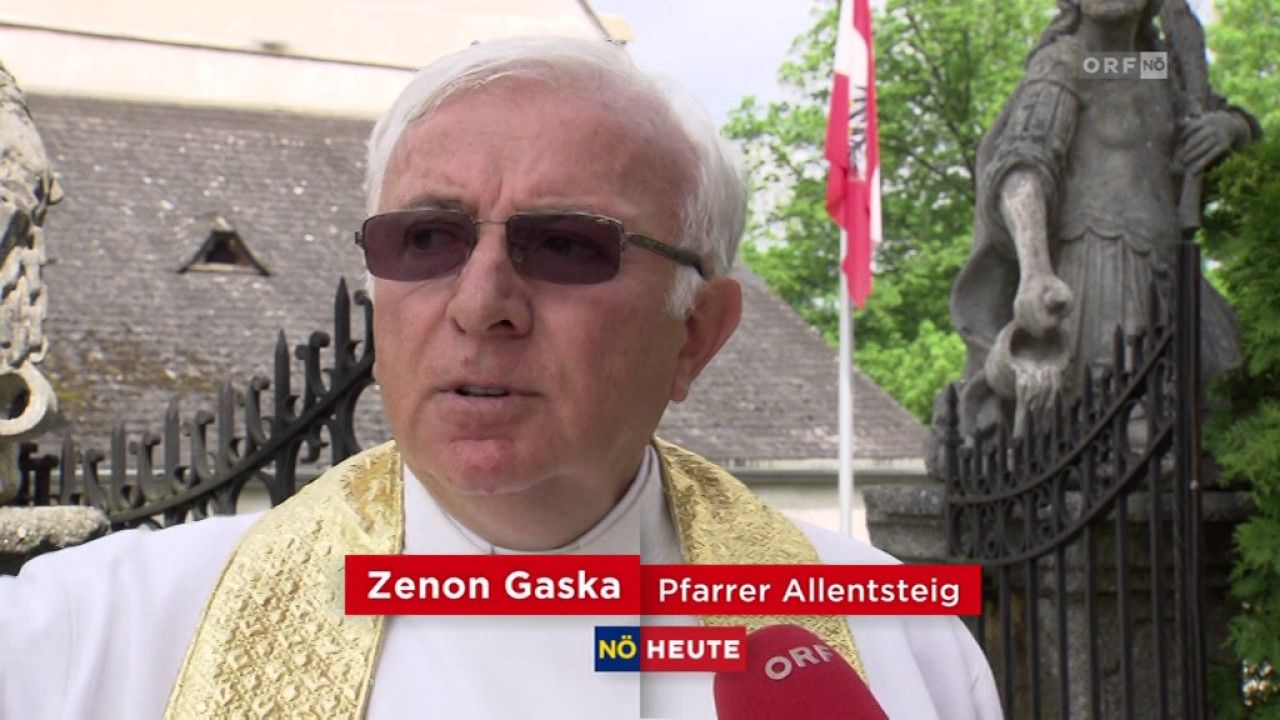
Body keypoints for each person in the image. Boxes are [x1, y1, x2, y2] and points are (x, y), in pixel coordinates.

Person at [1, 37, 1001, 719]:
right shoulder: (93, 637)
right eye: (426, 238)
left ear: (696, 334)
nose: (480, 302)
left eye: (565, 245)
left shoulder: (895, 636)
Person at [944, 0, 1259, 441]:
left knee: (1226, 407)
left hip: (1171, 269)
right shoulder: (1067, 64)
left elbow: (1222, 118)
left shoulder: (1152, 66)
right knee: (1119, 429)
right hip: (1098, 271)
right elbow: (1022, 169)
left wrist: (1229, 127)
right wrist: (1035, 270)